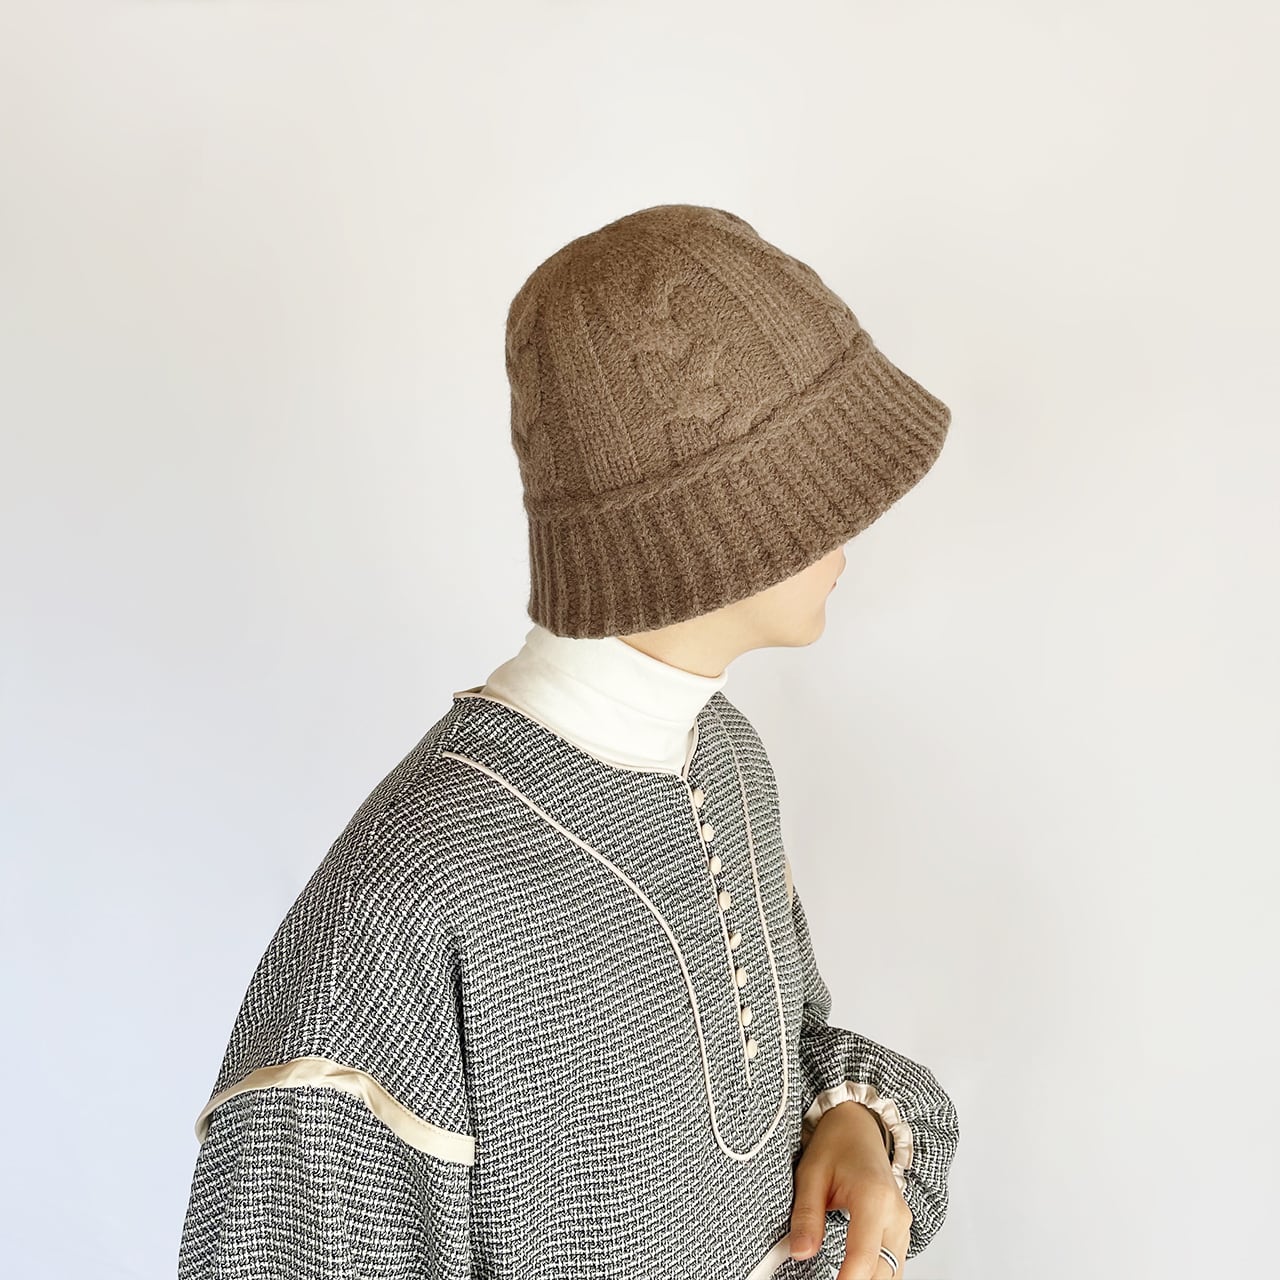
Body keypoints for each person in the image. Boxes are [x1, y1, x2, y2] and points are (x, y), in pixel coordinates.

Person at [177, 203, 960, 1280]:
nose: (856, 523)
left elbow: (785, 1059)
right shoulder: (407, 904)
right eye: (818, 475)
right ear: (715, 515)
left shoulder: (724, 761)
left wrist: (851, 1123)